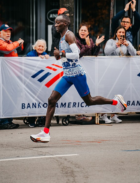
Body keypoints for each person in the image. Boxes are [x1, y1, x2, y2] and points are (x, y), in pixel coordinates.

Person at [30, 15, 127, 143]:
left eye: (58, 22)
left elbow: (76, 54)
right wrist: (59, 57)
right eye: (55, 23)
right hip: (67, 75)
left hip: (77, 75)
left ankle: (116, 102)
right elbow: (66, 57)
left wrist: (62, 54)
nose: (55, 25)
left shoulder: (69, 35)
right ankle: (45, 133)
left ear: (65, 23)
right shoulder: (61, 37)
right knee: (51, 100)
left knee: (90, 101)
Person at [101, 26, 137, 123]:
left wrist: (127, 45)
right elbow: (106, 52)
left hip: (121, 72)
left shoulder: (127, 42)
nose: (121, 33)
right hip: (110, 71)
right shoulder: (111, 41)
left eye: (123, 32)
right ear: (116, 33)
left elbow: (134, 53)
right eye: (119, 32)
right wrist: (116, 45)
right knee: (108, 92)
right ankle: (103, 114)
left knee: (118, 93)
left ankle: (114, 115)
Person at [0, 24, 24, 129]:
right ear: (0, 33)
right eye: (5, 31)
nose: (8, 33)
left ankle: (8, 120)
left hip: (12, 74)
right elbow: (7, 49)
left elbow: (13, 51)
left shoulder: (8, 42)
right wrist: (17, 42)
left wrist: (19, 45)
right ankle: (3, 122)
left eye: (9, 31)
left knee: (11, 98)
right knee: (5, 99)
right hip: (4, 75)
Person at [74, 23, 105, 122]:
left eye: (85, 30)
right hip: (77, 69)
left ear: (88, 32)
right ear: (78, 31)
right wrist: (87, 46)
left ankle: (87, 112)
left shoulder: (91, 40)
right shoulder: (75, 41)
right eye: (81, 30)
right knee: (78, 91)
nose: (82, 32)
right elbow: (79, 54)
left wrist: (96, 45)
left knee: (88, 91)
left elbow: (93, 54)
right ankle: (78, 113)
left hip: (89, 70)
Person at [26, 39, 49, 127]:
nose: (40, 48)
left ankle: (41, 120)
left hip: (42, 82)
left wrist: (48, 58)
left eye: (42, 46)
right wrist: (37, 59)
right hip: (32, 82)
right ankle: (31, 120)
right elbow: (29, 60)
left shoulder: (46, 55)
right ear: (35, 47)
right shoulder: (30, 54)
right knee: (32, 101)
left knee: (43, 100)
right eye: (39, 46)